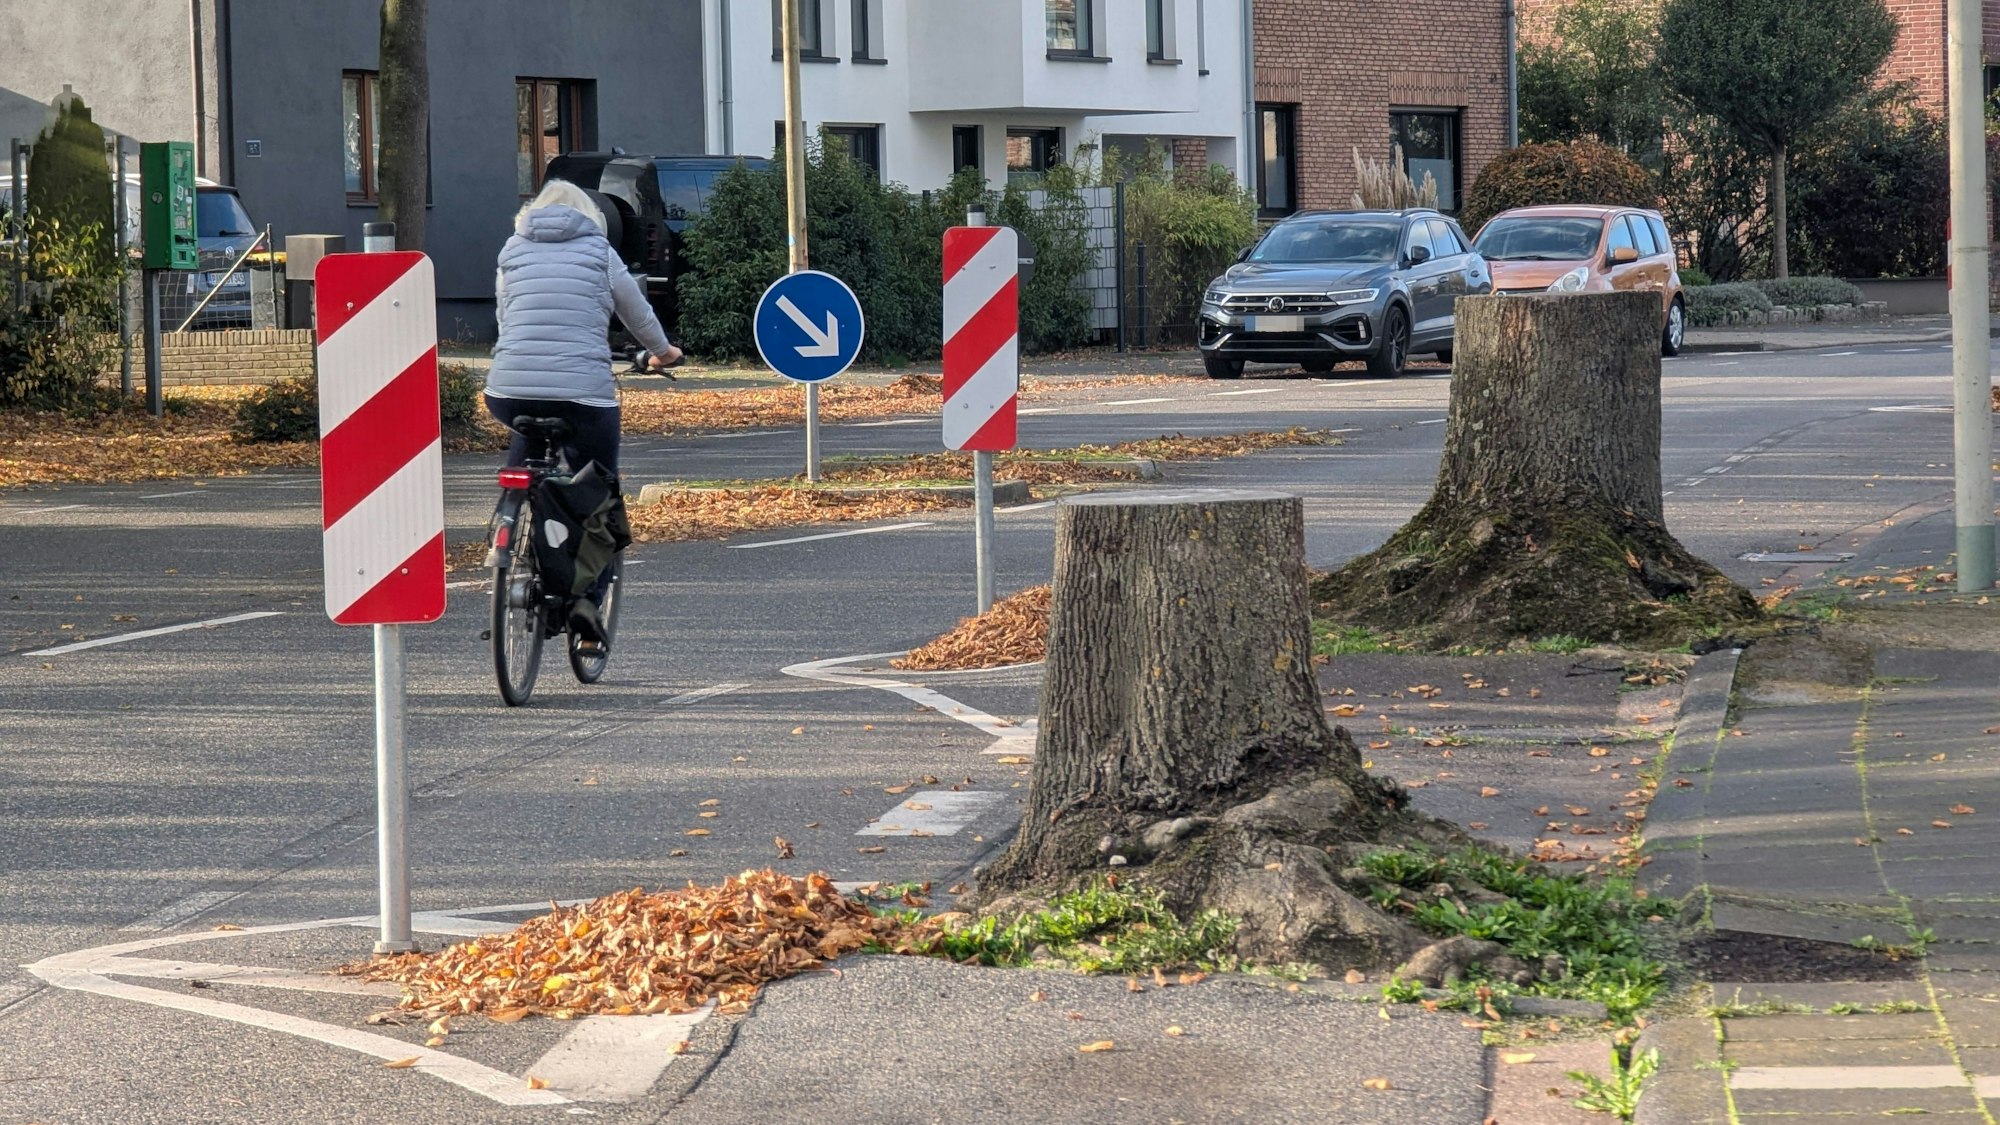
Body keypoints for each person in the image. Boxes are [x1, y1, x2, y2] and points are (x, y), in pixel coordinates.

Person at [485, 178, 678, 651]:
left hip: (508, 388)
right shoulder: (597, 250)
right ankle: (587, 605)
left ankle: (507, 528)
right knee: (599, 492)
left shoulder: (512, 250)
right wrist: (663, 352)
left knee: (522, 459)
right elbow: (636, 313)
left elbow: (506, 318)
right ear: (589, 217)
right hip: (582, 393)